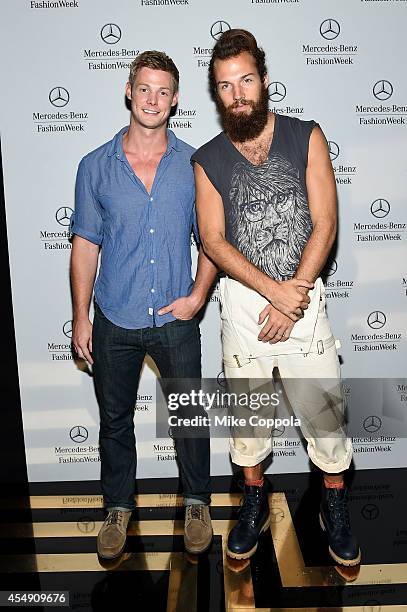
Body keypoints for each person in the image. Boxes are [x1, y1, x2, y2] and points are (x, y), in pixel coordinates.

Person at [192, 29, 360, 566]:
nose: (238, 93)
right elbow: (213, 240)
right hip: (244, 306)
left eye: (246, 80)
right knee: (247, 420)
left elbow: (326, 220)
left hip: (305, 295)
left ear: (264, 80)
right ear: (216, 95)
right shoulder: (207, 159)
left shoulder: (306, 135)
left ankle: (334, 505)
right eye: (225, 86)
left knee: (325, 414)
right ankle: (254, 501)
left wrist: (296, 295)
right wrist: (274, 294)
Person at [70, 50, 217, 559]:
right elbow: (85, 245)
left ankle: (197, 500)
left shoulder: (194, 164)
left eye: (163, 91)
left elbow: (213, 240)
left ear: (175, 100)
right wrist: (80, 317)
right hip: (115, 316)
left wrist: (198, 296)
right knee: (114, 421)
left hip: (175, 319)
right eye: (144, 88)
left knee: (190, 416)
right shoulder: (94, 166)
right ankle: (117, 507)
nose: (152, 99)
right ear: (128, 91)